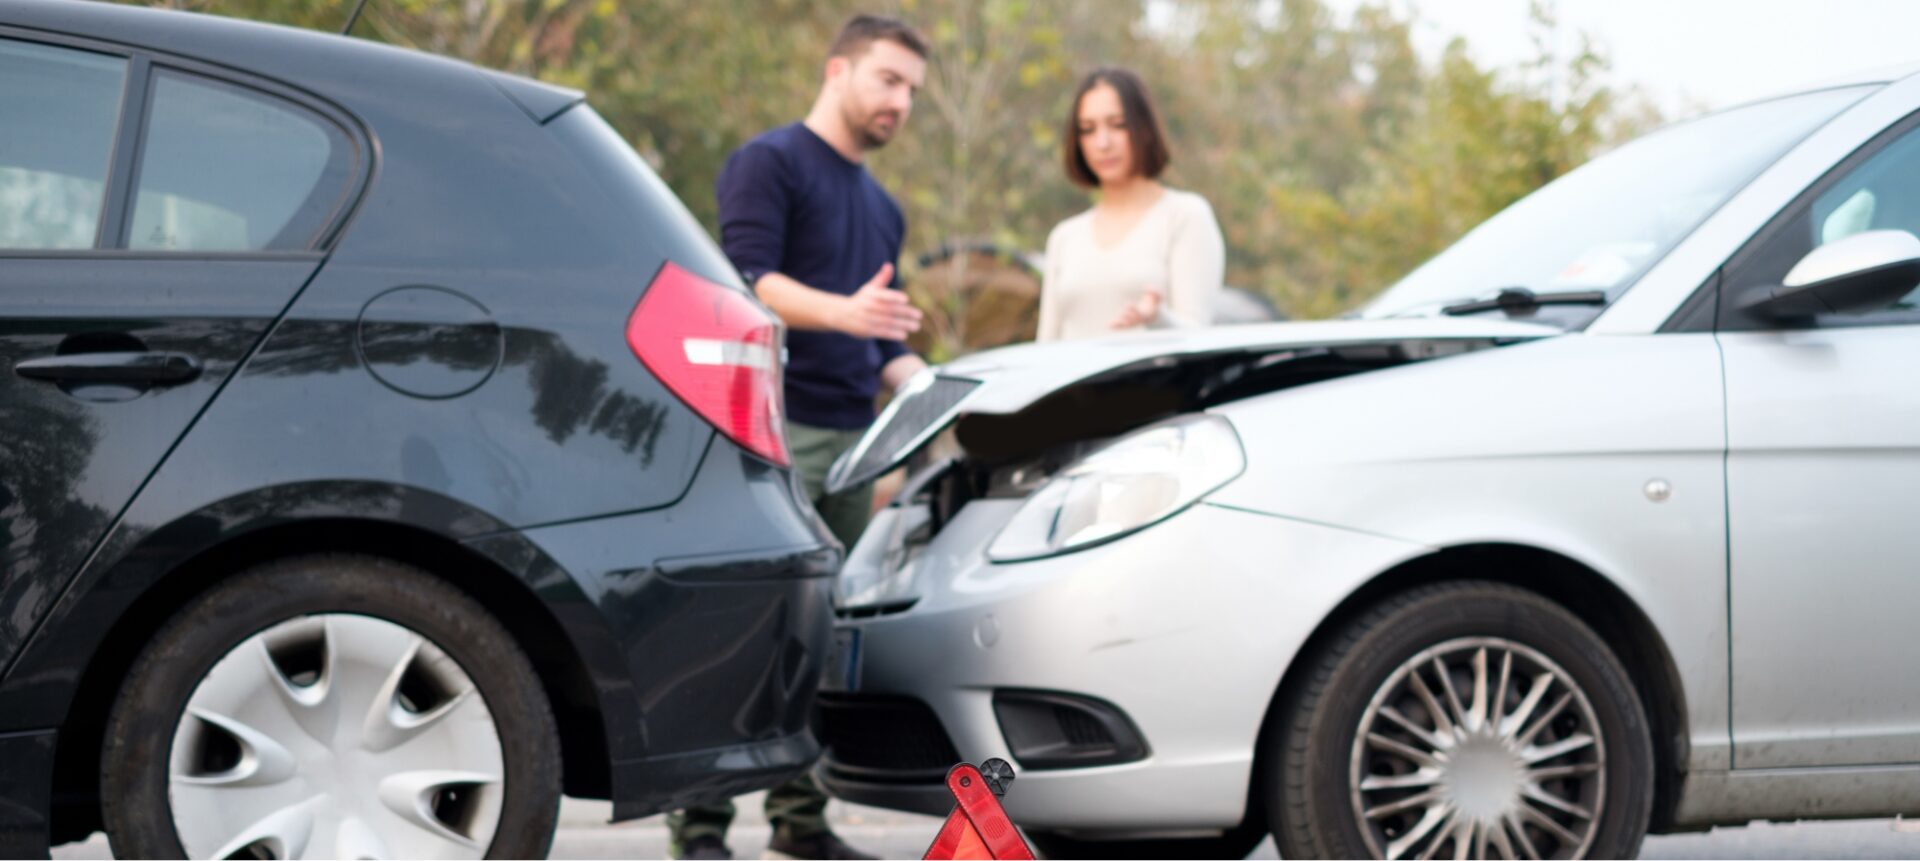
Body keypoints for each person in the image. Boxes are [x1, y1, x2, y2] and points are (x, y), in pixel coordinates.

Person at [666, 14, 930, 861]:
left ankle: (800, 823)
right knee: (743, 629)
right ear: (837, 70)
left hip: (854, 445)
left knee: (820, 636)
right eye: (888, 80)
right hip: (765, 433)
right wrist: (844, 312)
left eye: (913, 91)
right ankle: (700, 828)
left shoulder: (883, 207)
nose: (902, 102)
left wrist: (926, 381)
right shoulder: (768, 163)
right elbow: (744, 283)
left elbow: (882, 343)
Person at [1038, 67, 1225, 341]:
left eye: (1118, 125)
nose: (1103, 143)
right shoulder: (1064, 236)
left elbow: (1198, 338)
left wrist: (1155, 319)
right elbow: (1046, 348)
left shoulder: (1185, 216)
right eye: (1088, 130)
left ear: (1145, 129)